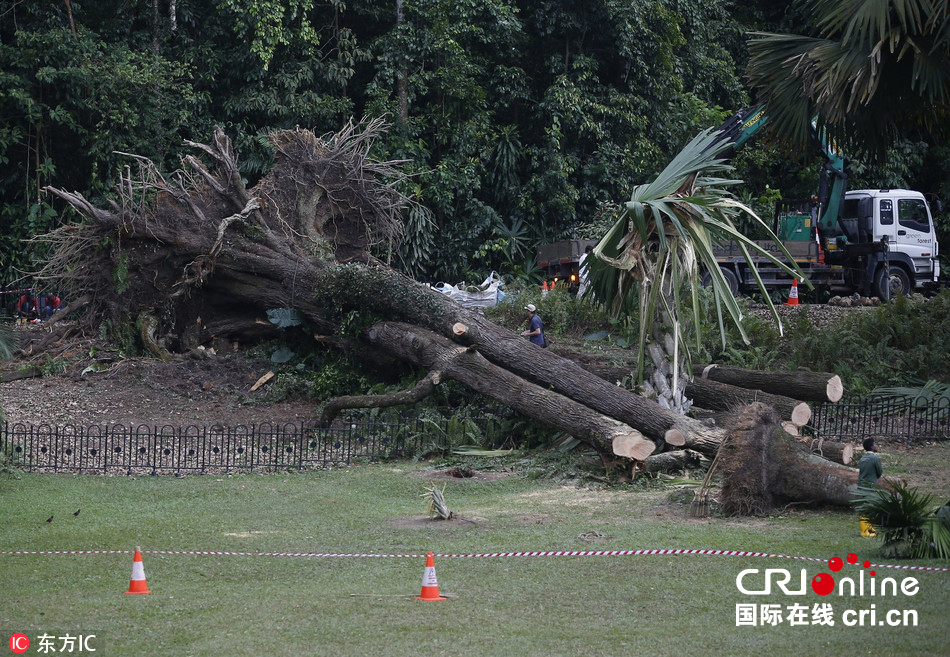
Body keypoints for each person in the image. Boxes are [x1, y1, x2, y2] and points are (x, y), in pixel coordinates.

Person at [857, 437, 883, 537]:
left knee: (866, 506)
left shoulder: (863, 458)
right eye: (875, 444)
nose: (876, 445)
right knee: (867, 508)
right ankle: (864, 531)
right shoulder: (875, 458)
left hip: (861, 485)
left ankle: (869, 526)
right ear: (872, 447)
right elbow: (879, 472)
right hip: (870, 486)